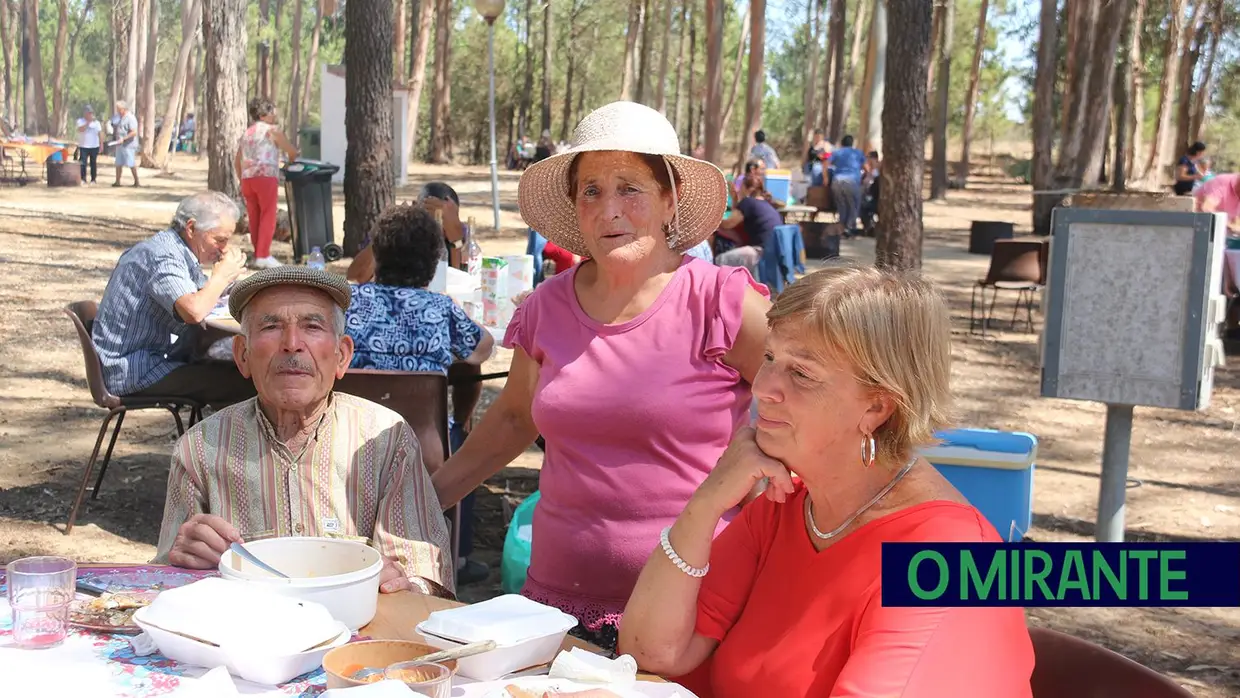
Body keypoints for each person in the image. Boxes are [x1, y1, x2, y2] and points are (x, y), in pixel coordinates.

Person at [432, 101, 770, 652]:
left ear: (669, 200)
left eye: (630, 187)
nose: (609, 209)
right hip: (557, 609)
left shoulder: (723, 302)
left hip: (692, 619)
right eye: (590, 190)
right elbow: (514, 417)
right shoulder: (545, 307)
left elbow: (801, 407)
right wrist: (422, 501)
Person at [619, 267, 1035, 698]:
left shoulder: (949, 558)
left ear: (876, 408)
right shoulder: (789, 505)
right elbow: (649, 651)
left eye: (801, 373)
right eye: (768, 358)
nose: (763, 388)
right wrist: (707, 503)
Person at [153, 267, 456, 596]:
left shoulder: (385, 440)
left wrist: (408, 586)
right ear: (242, 355)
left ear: (341, 356)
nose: (292, 344)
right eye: (271, 326)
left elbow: (424, 574)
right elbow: (164, 585)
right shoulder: (200, 448)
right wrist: (180, 559)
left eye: (312, 326)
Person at [345, 203, 496, 585]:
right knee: (460, 439)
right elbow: (482, 350)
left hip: (346, 442)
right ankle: (455, 559)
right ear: (434, 262)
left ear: (377, 255)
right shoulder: (440, 309)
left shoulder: (347, 302)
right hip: (422, 449)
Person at [92, 192, 257, 407]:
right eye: (219, 240)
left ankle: (220, 437)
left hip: (149, 359)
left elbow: (203, 295)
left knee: (240, 367)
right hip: (133, 370)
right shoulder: (163, 256)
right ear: (191, 228)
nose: (224, 248)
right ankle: (223, 439)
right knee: (248, 383)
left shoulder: (178, 251)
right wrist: (221, 275)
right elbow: (195, 311)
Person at [347, 181, 466, 283]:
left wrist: (456, 240)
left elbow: (464, 282)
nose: (434, 229)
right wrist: (389, 232)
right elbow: (356, 278)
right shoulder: (400, 232)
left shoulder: (460, 233)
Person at [236, 97, 299, 270]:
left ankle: (258, 253)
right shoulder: (272, 131)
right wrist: (293, 157)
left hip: (248, 179)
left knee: (254, 217)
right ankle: (263, 255)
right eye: (272, 112)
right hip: (265, 176)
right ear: (265, 114)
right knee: (268, 215)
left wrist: (241, 177)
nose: (274, 115)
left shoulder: (246, 133)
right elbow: (291, 150)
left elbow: (237, 160)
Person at [715, 175, 781, 276]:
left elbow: (727, 224)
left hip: (759, 253)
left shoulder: (748, 202)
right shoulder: (767, 204)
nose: (738, 190)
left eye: (740, 187)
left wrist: (711, 217)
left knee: (719, 260)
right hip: (773, 253)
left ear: (748, 189)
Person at [828, 134, 866, 238]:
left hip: (837, 181)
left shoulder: (837, 152)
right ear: (852, 143)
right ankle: (850, 228)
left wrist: (825, 179)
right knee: (853, 204)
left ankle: (841, 228)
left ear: (842, 143)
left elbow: (826, 162)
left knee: (841, 205)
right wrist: (864, 179)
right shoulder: (858, 153)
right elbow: (866, 167)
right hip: (852, 181)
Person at [111, 100, 140, 187]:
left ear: (123, 109)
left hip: (128, 145)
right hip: (119, 144)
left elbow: (134, 132)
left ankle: (136, 181)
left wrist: (124, 138)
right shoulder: (119, 117)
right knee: (118, 163)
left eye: (119, 109)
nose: (117, 111)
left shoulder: (130, 118)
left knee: (131, 163)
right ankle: (117, 181)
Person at [76, 105, 102, 185]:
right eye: (88, 113)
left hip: (94, 146)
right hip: (84, 146)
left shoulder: (97, 123)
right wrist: (88, 123)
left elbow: (100, 134)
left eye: (91, 113)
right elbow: (80, 129)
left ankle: (93, 179)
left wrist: (101, 145)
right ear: (85, 113)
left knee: (93, 163)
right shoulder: (80, 121)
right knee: (83, 163)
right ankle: (83, 179)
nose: (90, 114)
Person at [860, 151, 881, 235]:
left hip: (876, 198)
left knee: (864, 206)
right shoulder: (866, 173)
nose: (868, 160)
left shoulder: (878, 172)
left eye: (869, 158)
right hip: (868, 197)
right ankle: (868, 227)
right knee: (862, 205)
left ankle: (870, 228)